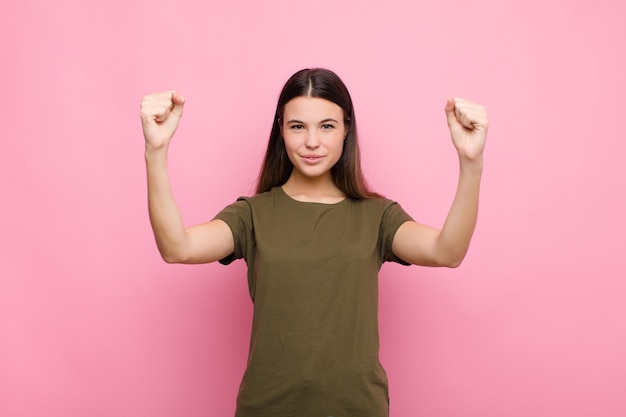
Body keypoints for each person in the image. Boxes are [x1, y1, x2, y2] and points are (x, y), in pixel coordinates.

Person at [140, 68, 488, 417]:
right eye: (297, 126)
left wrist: (470, 163)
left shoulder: (377, 216)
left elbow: (448, 251)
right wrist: (156, 151)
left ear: (346, 128)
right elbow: (177, 248)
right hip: (266, 408)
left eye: (326, 126)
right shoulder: (252, 215)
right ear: (281, 130)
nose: (311, 142)